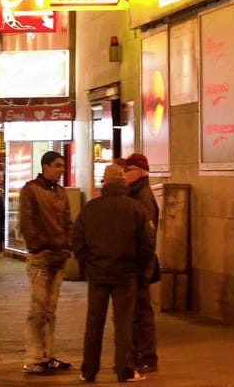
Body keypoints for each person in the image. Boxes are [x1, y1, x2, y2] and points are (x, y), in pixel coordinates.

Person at [73, 164, 156, 383]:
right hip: (126, 275)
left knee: (94, 324)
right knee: (124, 324)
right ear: (122, 183)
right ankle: (125, 370)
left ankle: (88, 370)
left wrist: (87, 266)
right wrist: (138, 267)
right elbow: (147, 243)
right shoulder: (135, 208)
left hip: (98, 275)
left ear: (104, 183)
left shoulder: (90, 208)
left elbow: (78, 240)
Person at [20, 150, 74, 375]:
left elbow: (67, 221)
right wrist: (38, 246)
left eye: (63, 166)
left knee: (50, 310)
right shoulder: (31, 190)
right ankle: (33, 357)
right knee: (38, 309)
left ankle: (48, 355)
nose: (61, 170)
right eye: (58, 166)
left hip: (58, 256)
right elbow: (27, 220)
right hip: (41, 257)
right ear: (45, 166)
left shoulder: (61, 192)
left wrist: (67, 245)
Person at [121, 154, 161, 374]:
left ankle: (147, 357)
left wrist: (140, 265)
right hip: (137, 264)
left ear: (139, 172)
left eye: (128, 170)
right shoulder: (135, 194)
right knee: (137, 313)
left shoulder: (142, 197)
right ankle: (140, 354)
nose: (125, 174)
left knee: (142, 313)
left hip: (140, 266)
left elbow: (147, 237)